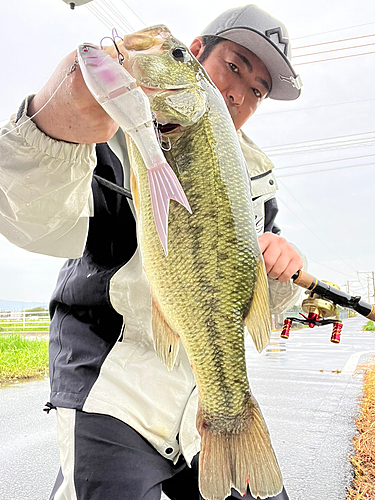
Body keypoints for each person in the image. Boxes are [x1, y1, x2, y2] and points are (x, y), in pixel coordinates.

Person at [0, 4, 306, 500]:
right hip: (112, 389)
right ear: (199, 53)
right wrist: (51, 129)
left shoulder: (256, 181)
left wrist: (281, 274)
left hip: (200, 398)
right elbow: (37, 221)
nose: (239, 94)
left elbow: (253, 307)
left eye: (257, 90)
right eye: (234, 67)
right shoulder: (112, 131)